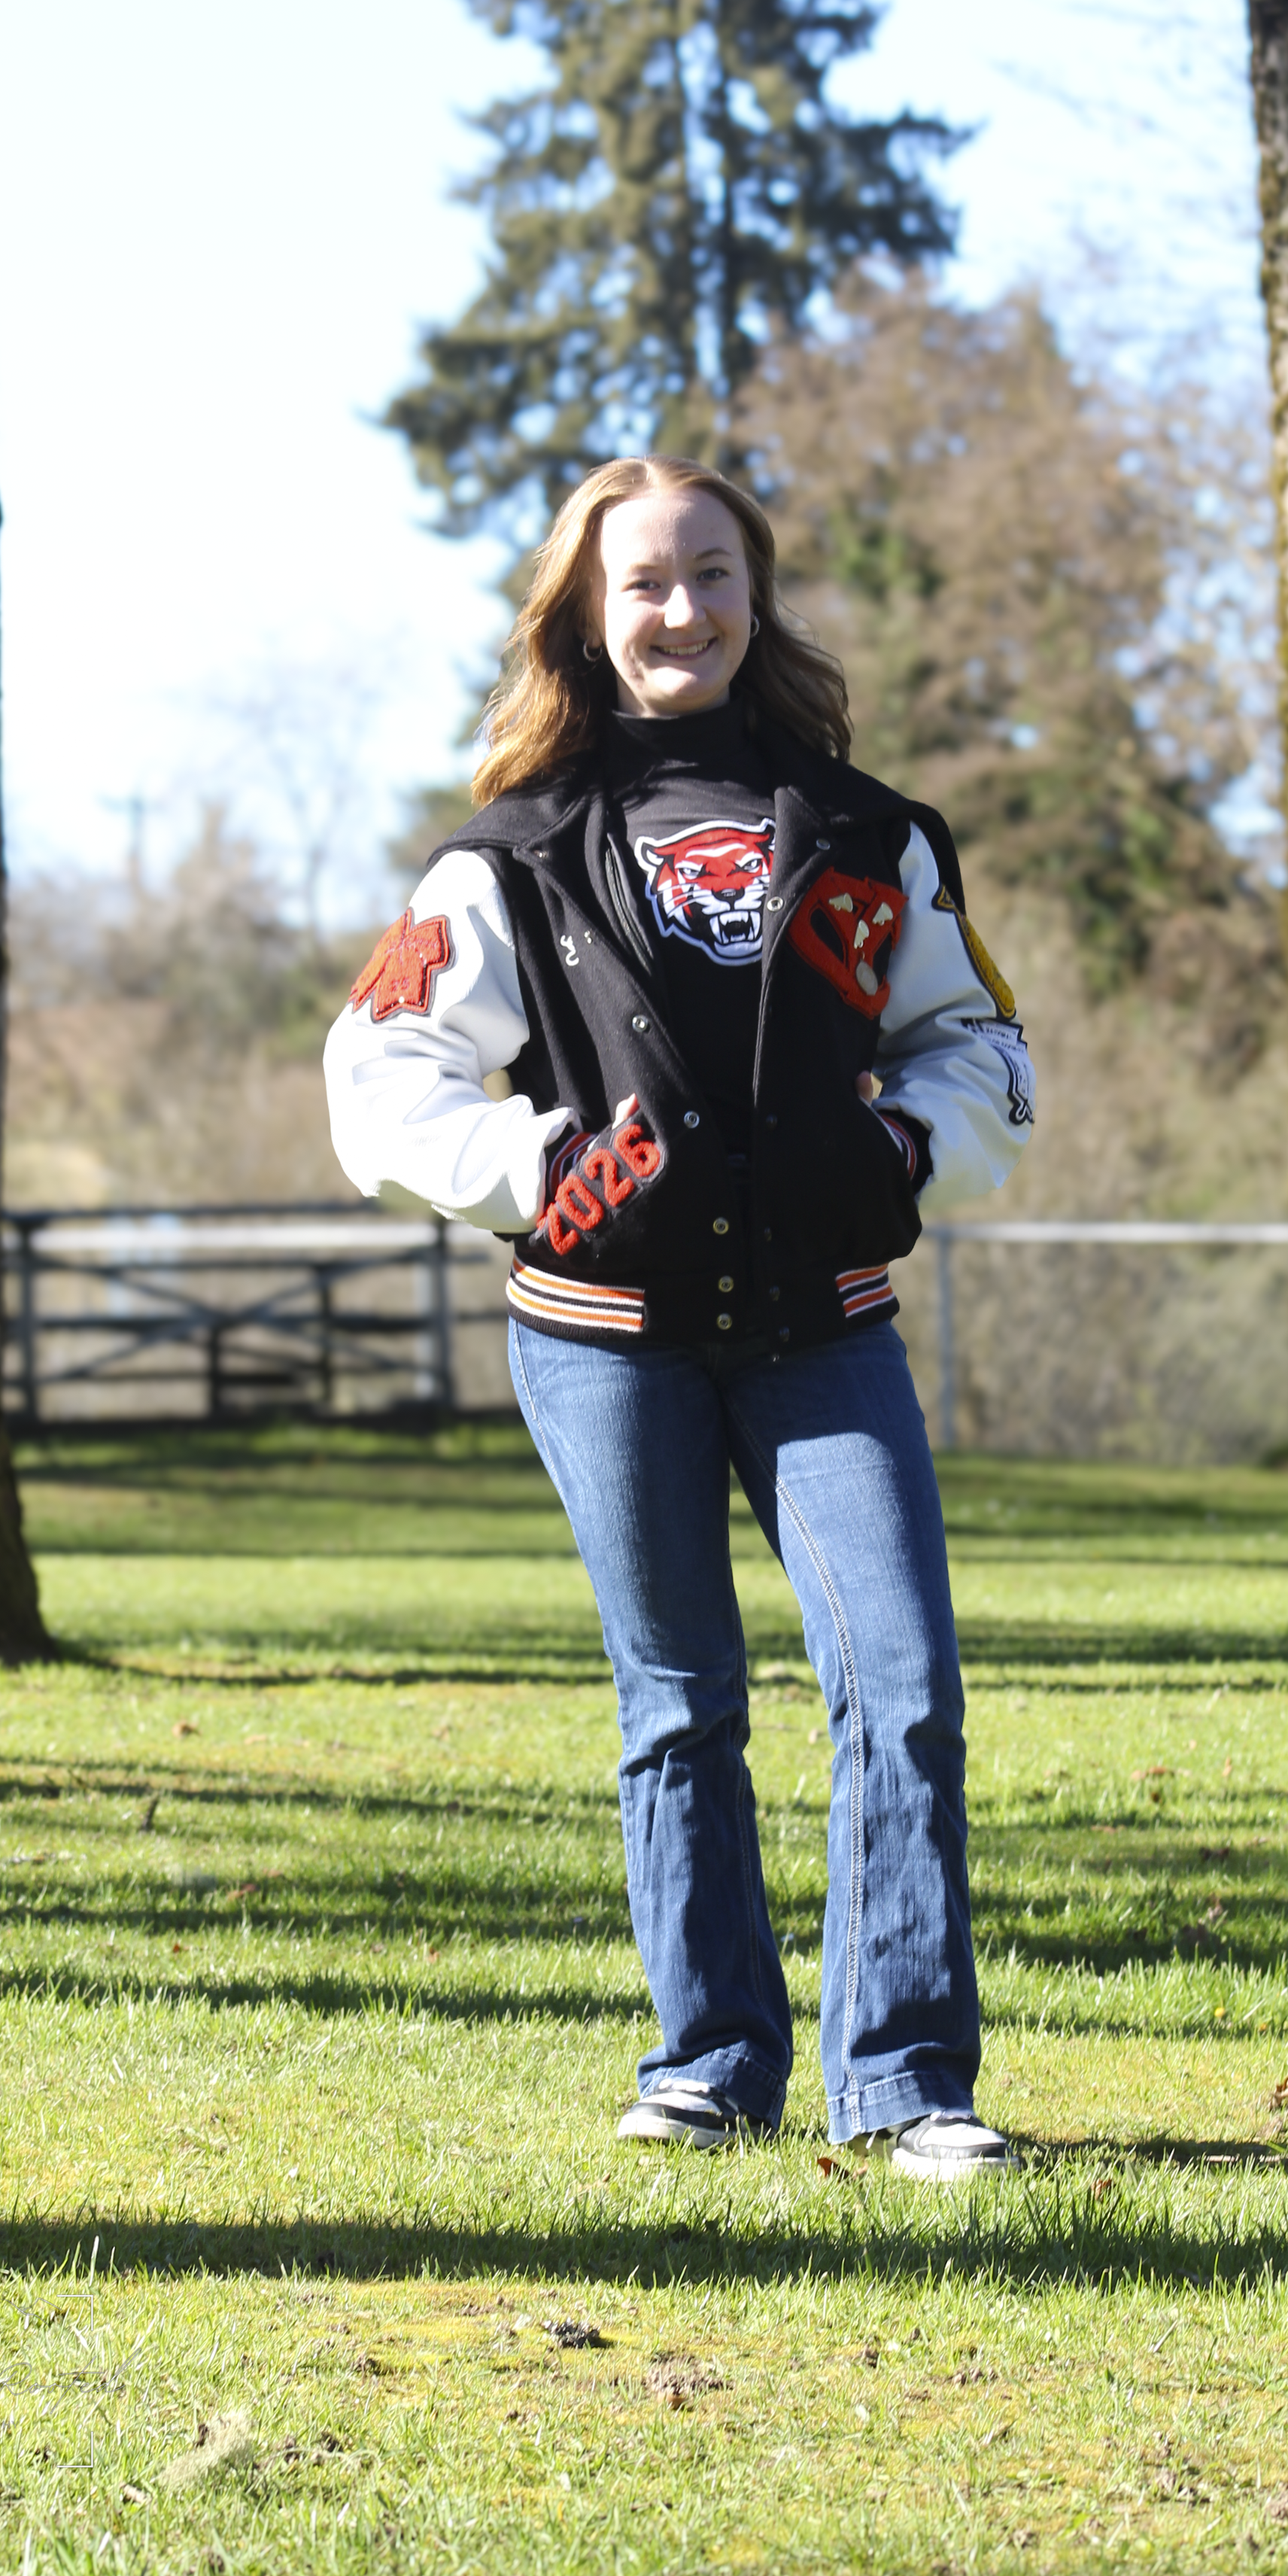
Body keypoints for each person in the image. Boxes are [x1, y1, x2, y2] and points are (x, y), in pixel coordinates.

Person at [324, 456, 1035, 2178]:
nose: (682, 612)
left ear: (754, 594)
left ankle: (905, 2089)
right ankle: (708, 2060)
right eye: (642, 583)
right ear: (583, 609)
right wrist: (537, 1162)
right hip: (598, 1338)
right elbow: (377, 1075)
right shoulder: (507, 860)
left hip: (825, 1326)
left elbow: (980, 1052)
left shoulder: (870, 836)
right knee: (677, 1700)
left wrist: (900, 1141)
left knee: (904, 1685)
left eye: (712, 576)